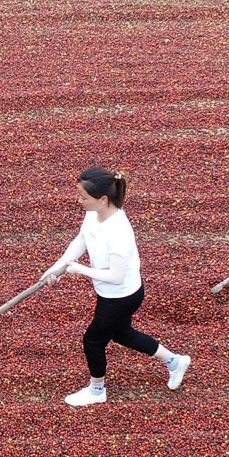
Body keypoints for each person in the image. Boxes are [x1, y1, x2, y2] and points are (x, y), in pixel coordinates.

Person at [42, 167, 190, 407]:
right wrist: (55, 270)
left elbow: (116, 276)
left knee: (93, 340)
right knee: (121, 333)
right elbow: (82, 239)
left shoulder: (118, 232)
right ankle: (174, 361)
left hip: (121, 296)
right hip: (111, 293)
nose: (78, 200)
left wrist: (79, 270)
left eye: (83, 197)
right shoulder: (94, 213)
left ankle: (97, 390)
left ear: (103, 199)